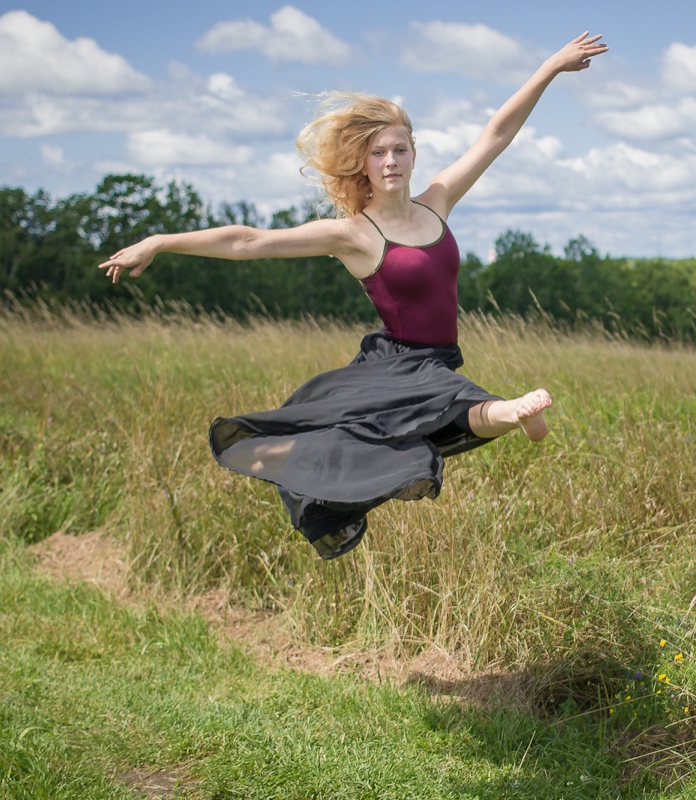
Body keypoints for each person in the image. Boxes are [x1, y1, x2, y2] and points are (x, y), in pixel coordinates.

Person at [100, 31, 609, 560]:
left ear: (413, 156)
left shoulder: (438, 203)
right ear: (363, 164)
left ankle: (516, 415)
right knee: (456, 405)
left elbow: (495, 135)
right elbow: (249, 241)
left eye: (399, 150)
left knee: (446, 413)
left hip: (439, 358)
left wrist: (550, 66)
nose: (390, 160)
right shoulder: (353, 234)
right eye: (378, 153)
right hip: (398, 362)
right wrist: (160, 242)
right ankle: (515, 413)